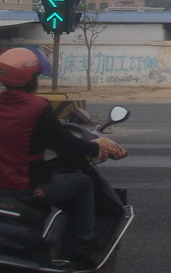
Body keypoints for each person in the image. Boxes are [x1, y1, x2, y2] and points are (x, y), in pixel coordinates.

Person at [0, 47, 124, 264]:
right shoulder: (37, 107)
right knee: (83, 182)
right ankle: (84, 244)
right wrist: (96, 149)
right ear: (32, 79)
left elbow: (28, 138)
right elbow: (64, 143)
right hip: (27, 187)